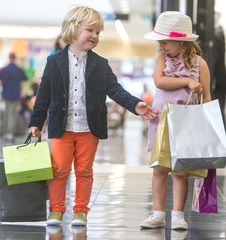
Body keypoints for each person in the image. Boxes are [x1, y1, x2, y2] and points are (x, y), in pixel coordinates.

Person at [28, 6, 158, 226]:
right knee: (58, 170)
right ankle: (57, 210)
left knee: (84, 171)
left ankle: (81, 211)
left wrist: (135, 104)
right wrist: (36, 123)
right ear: (73, 29)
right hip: (61, 127)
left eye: (98, 33)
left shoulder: (100, 64)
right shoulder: (54, 62)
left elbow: (116, 90)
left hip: (89, 128)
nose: (95, 36)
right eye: (91, 30)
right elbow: (43, 96)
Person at [140, 11, 211, 230]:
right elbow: (160, 82)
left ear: (181, 40)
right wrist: (188, 82)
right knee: (159, 168)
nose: (161, 46)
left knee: (181, 170)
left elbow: (207, 96)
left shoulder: (201, 64)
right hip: (163, 119)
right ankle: (158, 213)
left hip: (188, 122)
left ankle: (178, 214)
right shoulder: (162, 59)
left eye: (164, 41)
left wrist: (207, 124)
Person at [0, 52, 28, 142]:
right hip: (16, 96)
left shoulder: (4, 70)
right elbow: (26, 82)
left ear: (9, 58)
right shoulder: (19, 70)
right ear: (15, 58)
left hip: (5, 96)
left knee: (6, 115)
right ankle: (10, 134)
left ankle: (5, 132)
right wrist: (23, 92)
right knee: (13, 115)